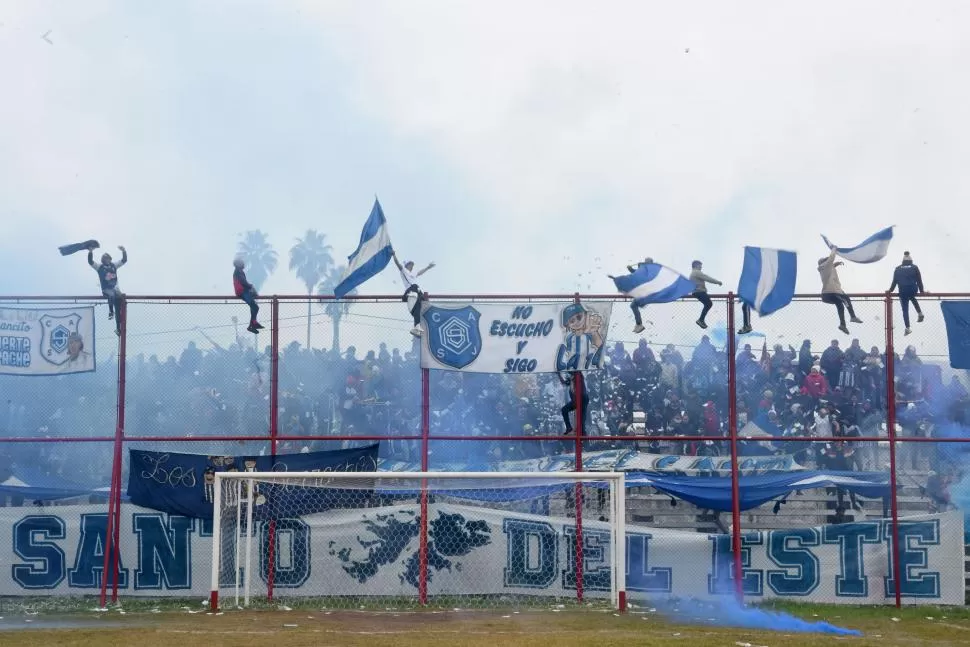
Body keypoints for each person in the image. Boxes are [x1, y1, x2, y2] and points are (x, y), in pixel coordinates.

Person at [818, 246, 862, 334]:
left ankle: (843, 324)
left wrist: (836, 265)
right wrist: (834, 249)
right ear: (823, 263)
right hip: (831, 292)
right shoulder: (824, 266)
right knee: (844, 300)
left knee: (842, 303)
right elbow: (830, 259)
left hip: (833, 292)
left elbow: (830, 266)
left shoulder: (826, 268)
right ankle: (852, 317)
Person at [391, 250, 435, 337]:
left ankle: (416, 327)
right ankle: (417, 326)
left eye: (412, 264)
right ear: (406, 265)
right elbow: (397, 264)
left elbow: (419, 273)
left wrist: (428, 267)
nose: (412, 265)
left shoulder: (412, 273)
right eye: (410, 264)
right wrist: (394, 255)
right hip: (411, 290)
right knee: (416, 288)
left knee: (417, 309)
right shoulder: (403, 270)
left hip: (415, 292)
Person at [87, 243, 127, 336]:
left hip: (116, 290)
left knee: (119, 307)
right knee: (111, 294)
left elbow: (124, 260)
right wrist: (90, 252)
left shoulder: (114, 266)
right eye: (106, 259)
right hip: (106, 290)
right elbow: (90, 262)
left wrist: (123, 251)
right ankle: (110, 312)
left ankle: (118, 328)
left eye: (109, 259)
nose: (108, 261)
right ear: (103, 260)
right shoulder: (99, 267)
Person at [608, 257, 653, 333]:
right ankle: (639, 324)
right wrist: (630, 269)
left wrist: (617, 278)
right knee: (633, 305)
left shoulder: (647, 271)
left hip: (645, 294)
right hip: (645, 294)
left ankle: (639, 324)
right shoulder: (648, 271)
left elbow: (636, 275)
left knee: (633, 305)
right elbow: (635, 274)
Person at [888, 251, 925, 335]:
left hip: (903, 291)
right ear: (911, 260)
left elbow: (894, 282)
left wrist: (890, 291)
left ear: (903, 261)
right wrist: (921, 291)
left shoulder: (897, 269)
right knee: (911, 296)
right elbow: (919, 280)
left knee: (905, 310)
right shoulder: (914, 267)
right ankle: (920, 313)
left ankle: (908, 328)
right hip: (913, 289)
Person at [233, 258, 264, 334]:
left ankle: (252, 323)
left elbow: (243, 282)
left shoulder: (238, 271)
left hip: (243, 292)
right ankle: (252, 323)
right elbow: (243, 282)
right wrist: (251, 286)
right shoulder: (238, 272)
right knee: (255, 307)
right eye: (241, 263)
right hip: (243, 292)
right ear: (238, 264)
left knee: (253, 306)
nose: (243, 264)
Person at [689, 260, 722, 329]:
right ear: (696, 265)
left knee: (708, 304)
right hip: (699, 291)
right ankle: (701, 320)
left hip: (696, 292)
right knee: (709, 304)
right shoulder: (696, 272)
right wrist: (717, 282)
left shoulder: (693, 273)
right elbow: (707, 278)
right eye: (700, 265)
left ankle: (701, 320)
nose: (701, 267)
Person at [559, 370, 589, 435]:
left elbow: (577, 370)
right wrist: (559, 374)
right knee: (564, 410)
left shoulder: (578, 376)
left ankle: (583, 434)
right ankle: (569, 427)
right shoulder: (571, 379)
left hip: (582, 399)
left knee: (582, 419)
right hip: (576, 400)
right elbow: (564, 383)